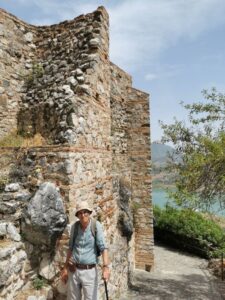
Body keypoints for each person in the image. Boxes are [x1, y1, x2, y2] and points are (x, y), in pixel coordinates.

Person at [61, 201, 110, 300]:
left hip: (89, 271)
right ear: (77, 215)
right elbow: (70, 248)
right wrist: (65, 268)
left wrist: (105, 268)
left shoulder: (96, 226)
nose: (83, 215)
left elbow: (103, 248)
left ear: (89, 213)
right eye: (80, 213)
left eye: (85, 212)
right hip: (74, 270)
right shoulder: (75, 227)